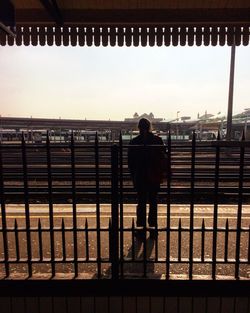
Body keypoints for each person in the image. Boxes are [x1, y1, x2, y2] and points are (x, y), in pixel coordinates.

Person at [128, 118, 166, 239]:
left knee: (141, 203)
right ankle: (153, 229)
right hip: (154, 176)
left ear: (138, 127)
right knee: (153, 202)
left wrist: (133, 176)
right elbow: (163, 157)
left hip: (140, 176)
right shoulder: (157, 140)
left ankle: (141, 230)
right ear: (150, 127)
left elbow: (130, 162)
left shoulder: (134, 142)